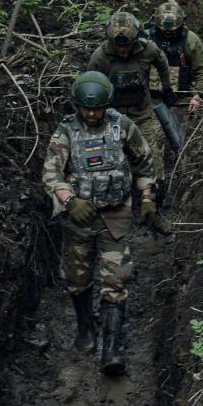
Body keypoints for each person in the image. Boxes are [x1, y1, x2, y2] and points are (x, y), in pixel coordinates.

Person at [42, 71, 158, 376]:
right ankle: (85, 330)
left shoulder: (123, 127)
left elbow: (144, 161)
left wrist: (147, 197)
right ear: (77, 106)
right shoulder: (65, 132)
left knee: (116, 279)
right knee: (78, 278)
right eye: (86, 108)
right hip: (79, 219)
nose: (91, 114)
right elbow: (51, 174)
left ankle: (111, 348)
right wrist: (69, 201)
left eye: (97, 108)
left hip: (116, 215)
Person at [87, 11, 176, 197]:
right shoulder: (100, 57)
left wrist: (166, 88)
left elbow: (162, 63)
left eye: (126, 45)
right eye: (117, 46)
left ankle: (154, 201)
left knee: (153, 161)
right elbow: (89, 88)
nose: (122, 50)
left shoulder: (148, 49)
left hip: (141, 115)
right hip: (111, 118)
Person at [146, 0, 203, 115]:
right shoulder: (146, 39)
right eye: (164, 31)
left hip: (182, 100)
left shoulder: (190, 40)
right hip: (149, 99)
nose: (168, 34)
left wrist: (197, 96)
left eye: (172, 31)